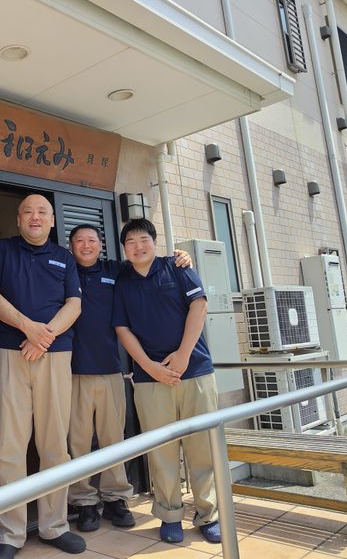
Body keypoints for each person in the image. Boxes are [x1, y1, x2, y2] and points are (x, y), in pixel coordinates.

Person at [67, 224, 191, 532]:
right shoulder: (62, 270)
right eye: (79, 241)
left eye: (92, 240)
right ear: (70, 246)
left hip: (110, 368)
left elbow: (145, 262)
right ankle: (83, 501)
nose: (86, 246)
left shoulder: (116, 270)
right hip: (72, 371)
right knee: (78, 440)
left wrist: (181, 258)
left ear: (102, 245)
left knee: (113, 438)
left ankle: (115, 498)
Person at [0, 194, 85, 558]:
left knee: (55, 444)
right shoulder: (1, 252)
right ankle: (9, 534)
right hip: (8, 354)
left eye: (42, 212)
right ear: (18, 219)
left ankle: (54, 526)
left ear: (52, 220)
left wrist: (44, 337)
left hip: (54, 355)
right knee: (8, 446)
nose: (35, 217)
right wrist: (29, 328)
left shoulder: (64, 258)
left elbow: (74, 304)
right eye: (28, 211)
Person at [112, 218, 221, 544]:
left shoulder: (177, 267)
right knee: (162, 452)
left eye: (143, 239)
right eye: (130, 242)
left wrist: (184, 355)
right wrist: (148, 366)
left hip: (195, 371)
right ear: (124, 249)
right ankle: (170, 514)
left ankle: (209, 514)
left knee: (203, 448)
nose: (138, 246)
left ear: (154, 241)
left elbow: (199, 306)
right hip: (150, 379)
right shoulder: (123, 282)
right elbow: (122, 328)